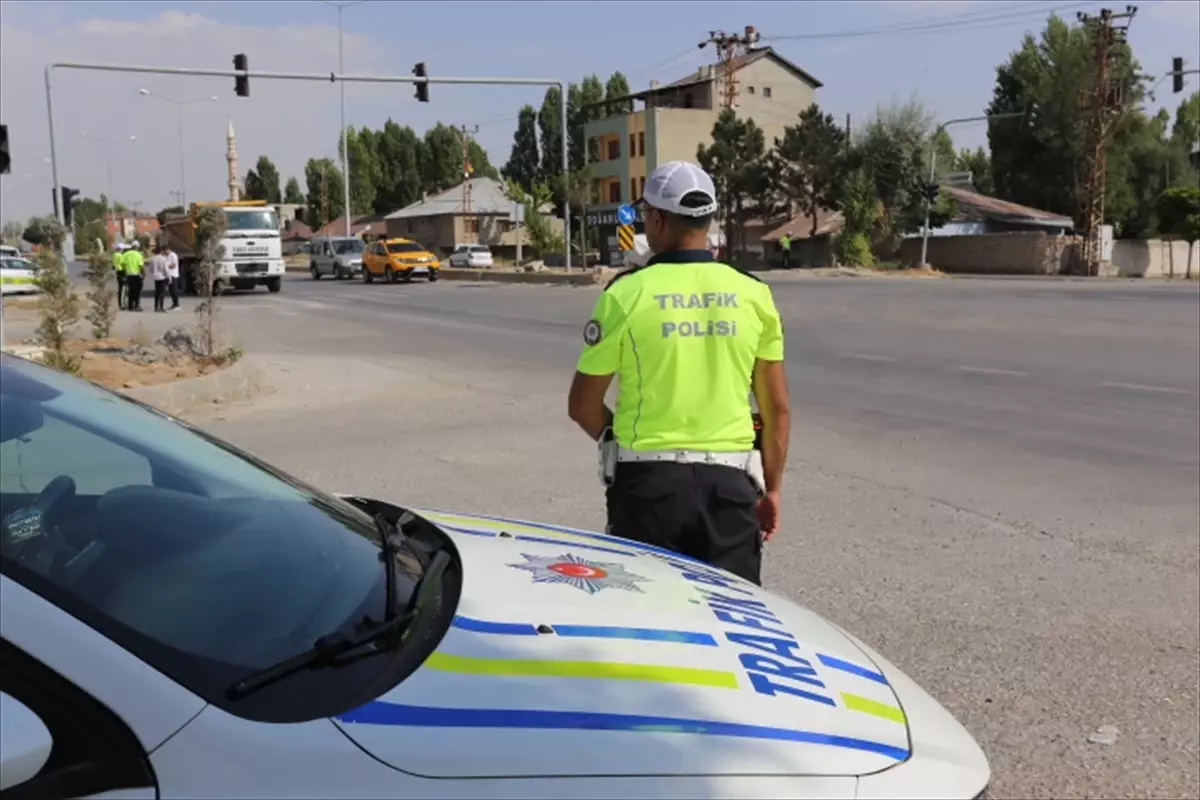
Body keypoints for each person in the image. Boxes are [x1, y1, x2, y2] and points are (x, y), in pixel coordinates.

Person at [567, 160, 791, 586]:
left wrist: (616, 439)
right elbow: (776, 408)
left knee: (648, 615)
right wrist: (773, 489)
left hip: (647, 492)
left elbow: (582, 405)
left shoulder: (625, 294)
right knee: (731, 614)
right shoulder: (753, 293)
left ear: (656, 220)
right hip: (730, 491)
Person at [148, 245, 171, 313]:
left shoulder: (152, 259)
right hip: (162, 277)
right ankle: (161, 307)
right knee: (162, 293)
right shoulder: (163, 259)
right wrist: (169, 277)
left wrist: (154, 273)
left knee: (157, 292)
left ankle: (156, 307)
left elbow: (151, 269)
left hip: (156, 277)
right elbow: (166, 269)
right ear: (161, 251)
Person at [123, 241, 145, 312]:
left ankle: (130, 306)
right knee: (137, 292)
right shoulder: (138, 255)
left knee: (130, 291)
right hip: (137, 275)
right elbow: (141, 266)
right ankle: (136, 306)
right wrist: (143, 273)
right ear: (137, 247)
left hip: (129, 275)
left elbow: (123, 263)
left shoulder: (126, 254)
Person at [163, 242, 181, 310]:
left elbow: (174, 265)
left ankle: (177, 305)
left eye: (165, 251)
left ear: (168, 249)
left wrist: (167, 266)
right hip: (169, 275)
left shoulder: (173, 255)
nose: (164, 253)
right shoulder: (167, 256)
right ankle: (174, 304)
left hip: (173, 275)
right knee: (170, 291)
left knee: (174, 290)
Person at [112, 243, 128, 310]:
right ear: (121, 249)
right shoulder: (120, 256)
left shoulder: (114, 255)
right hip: (122, 271)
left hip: (118, 271)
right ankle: (122, 304)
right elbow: (123, 263)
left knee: (120, 288)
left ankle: (120, 303)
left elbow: (113, 265)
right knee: (123, 289)